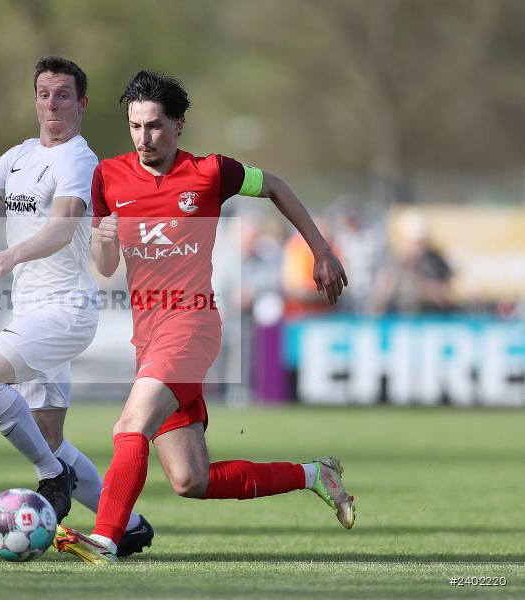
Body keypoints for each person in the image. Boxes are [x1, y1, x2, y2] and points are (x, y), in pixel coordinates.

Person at [54, 71, 354, 563]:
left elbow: (275, 186)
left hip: (192, 324)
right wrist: (103, 243)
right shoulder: (109, 176)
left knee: (130, 424)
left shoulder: (211, 172)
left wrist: (320, 249)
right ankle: (314, 475)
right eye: (135, 126)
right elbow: (105, 267)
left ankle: (105, 539)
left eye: (154, 125)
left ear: (178, 125)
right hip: (148, 339)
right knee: (190, 478)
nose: (144, 137)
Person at [0, 56, 152, 557]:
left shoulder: (78, 160)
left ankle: (53, 479)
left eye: (63, 95)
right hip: (32, 313)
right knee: (49, 439)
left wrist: (10, 255)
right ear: (35, 100)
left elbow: (63, 228)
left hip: (65, 310)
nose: (52, 104)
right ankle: (130, 525)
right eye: (44, 94)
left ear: (81, 104)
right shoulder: (19, 156)